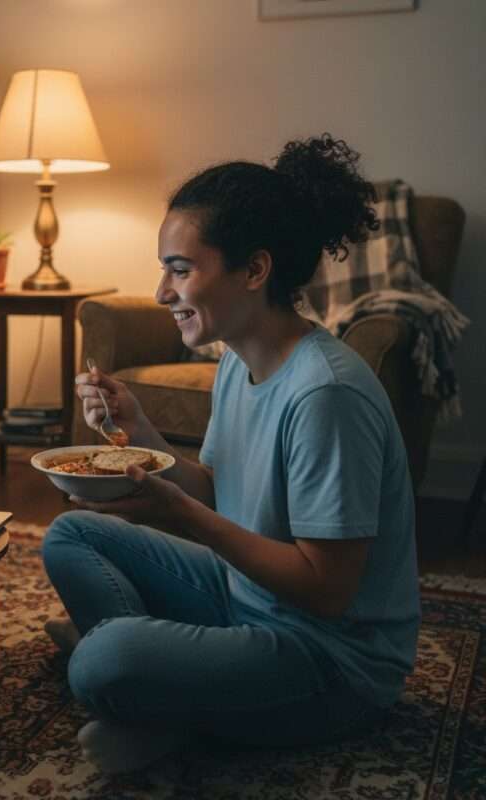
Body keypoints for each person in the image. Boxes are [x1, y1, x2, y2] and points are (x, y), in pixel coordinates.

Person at [42, 134, 420, 774]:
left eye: (180, 269)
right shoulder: (236, 361)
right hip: (246, 597)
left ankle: (154, 694)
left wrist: (181, 518)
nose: (163, 291)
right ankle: (169, 693)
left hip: (331, 658)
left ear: (254, 270)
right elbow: (220, 490)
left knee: (101, 661)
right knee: (70, 535)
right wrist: (140, 433)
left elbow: (328, 592)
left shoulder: (326, 394)